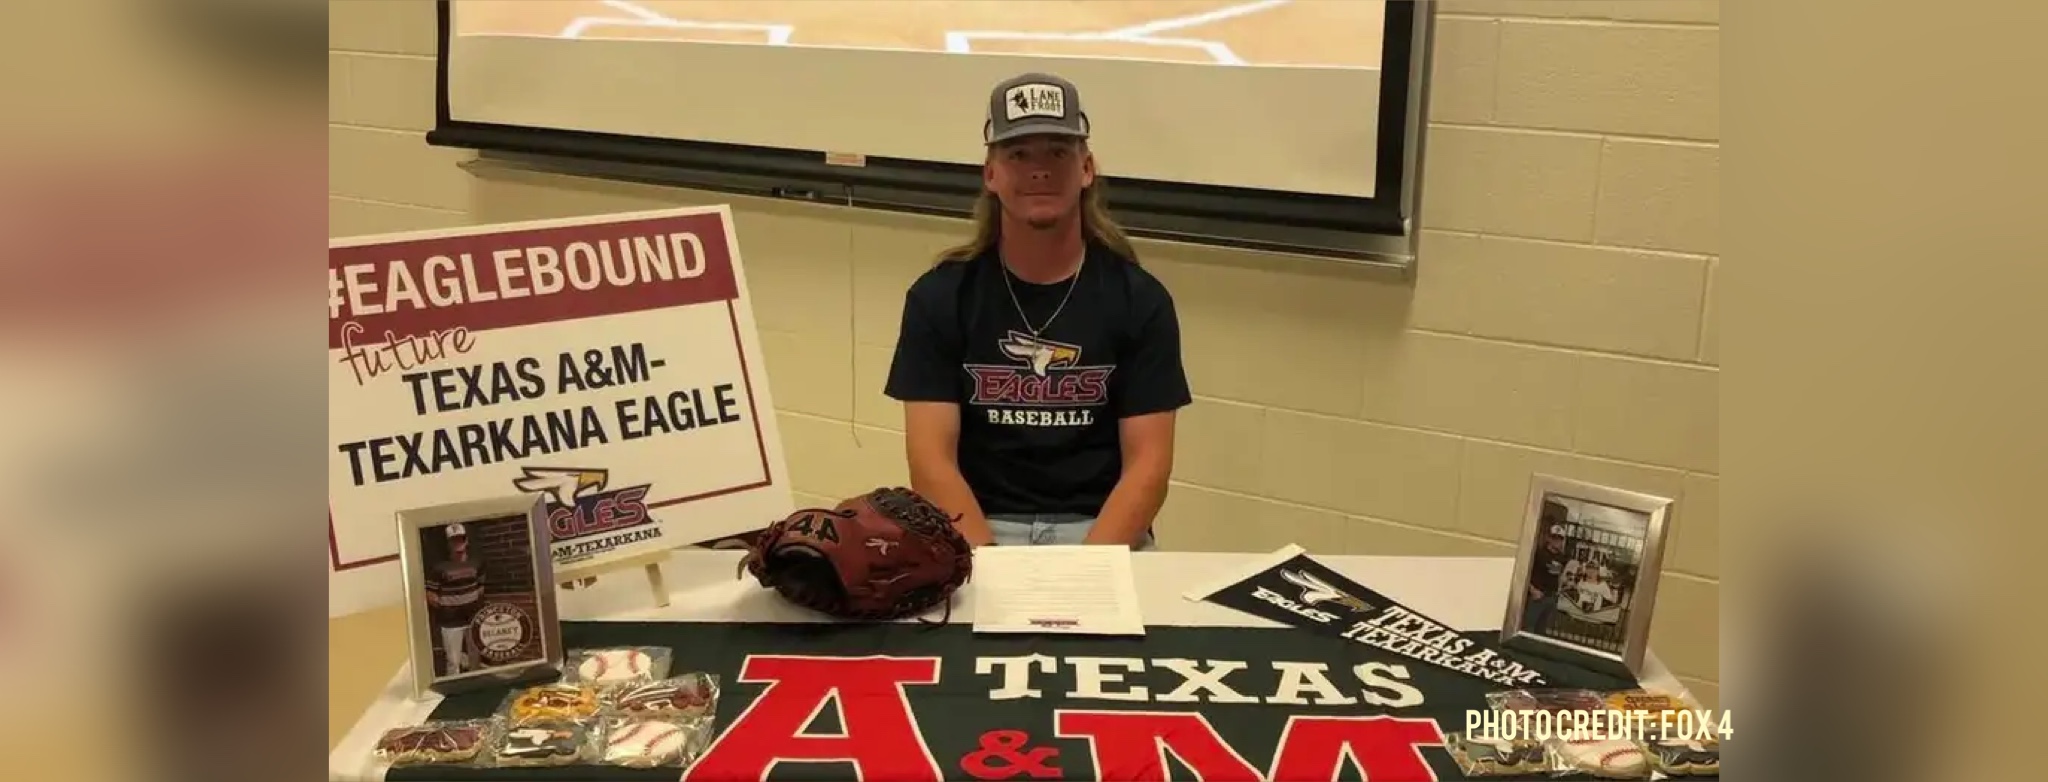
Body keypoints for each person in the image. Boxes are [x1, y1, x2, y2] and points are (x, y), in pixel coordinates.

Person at [884, 73, 1191, 549]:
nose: (1039, 169)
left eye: (1058, 152)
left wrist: (1085, 574)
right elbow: (931, 462)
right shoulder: (939, 297)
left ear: (1086, 168)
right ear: (991, 174)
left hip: (1100, 530)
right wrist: (990, 568)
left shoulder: (1140, 299)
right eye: (1019, 154)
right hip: (978, 526)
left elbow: (1148, 467)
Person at [424, 523, 485, 675]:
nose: (458, 543)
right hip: (450, 623)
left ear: (466, 541)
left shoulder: (476, 563)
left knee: (475, 661)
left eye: (461, 539)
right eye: (454, 540)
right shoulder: (439, 568)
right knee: (453, 662)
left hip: (474, 619)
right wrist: (447, 607)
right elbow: (430, 594)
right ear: (448, 543)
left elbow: (481, 585)